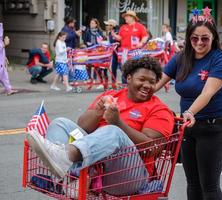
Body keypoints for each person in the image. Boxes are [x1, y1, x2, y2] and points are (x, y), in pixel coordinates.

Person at [27, 56, 174, 195]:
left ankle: (66, 159)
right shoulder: (112, 95)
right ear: (129, 78)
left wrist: (118, 123)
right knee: (60, 123)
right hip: (94, 167)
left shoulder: (160, 110)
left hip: (128, 176)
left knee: (113, 132)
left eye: (152, 82)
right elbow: (82, 127)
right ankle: (69, 179)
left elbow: (151, 148)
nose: (147, 85)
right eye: (142, 79)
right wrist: (98, 111)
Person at [155, 8, 222, 200]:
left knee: (209, 186)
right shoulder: (181, 58)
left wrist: (189, 112)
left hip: (213, 127)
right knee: (193, 184)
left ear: (214, 37)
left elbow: (207, 93)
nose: (199, 43)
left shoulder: (220, 60)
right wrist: (131, 92)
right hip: (187, 129)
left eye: (205, 38)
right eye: (194, 38)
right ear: (189, 38)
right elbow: (157, 82)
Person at [83, 18, 107, 90]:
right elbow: (85, 40)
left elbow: (102, 39)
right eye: (90, 23)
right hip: (90, 50)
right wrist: (87, 43)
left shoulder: (99, 31)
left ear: (96, 24)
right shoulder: (87, 31)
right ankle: (90, 79)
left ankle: (97, 80)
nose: (91, 24)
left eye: (93, 23)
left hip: (97, 51)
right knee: (89, 65)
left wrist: (100, 41)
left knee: (97, 66)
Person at [0, 23, 18, 95]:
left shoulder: (0, 41)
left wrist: (5, 58)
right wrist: (5, 44)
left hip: (1, 62)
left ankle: (9, 90)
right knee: (2, 75)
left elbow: (2, 51)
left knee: (5, 76)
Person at [104, 18, 119, 89]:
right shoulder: (110, 32)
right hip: (113, 52)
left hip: (119, 52)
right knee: (113, 68)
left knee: (122, 68)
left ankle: (125, 83)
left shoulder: (118, 31)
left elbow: (118, 41)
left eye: (108, 25)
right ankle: (114, 84)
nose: (106, 26)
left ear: (112, 25)